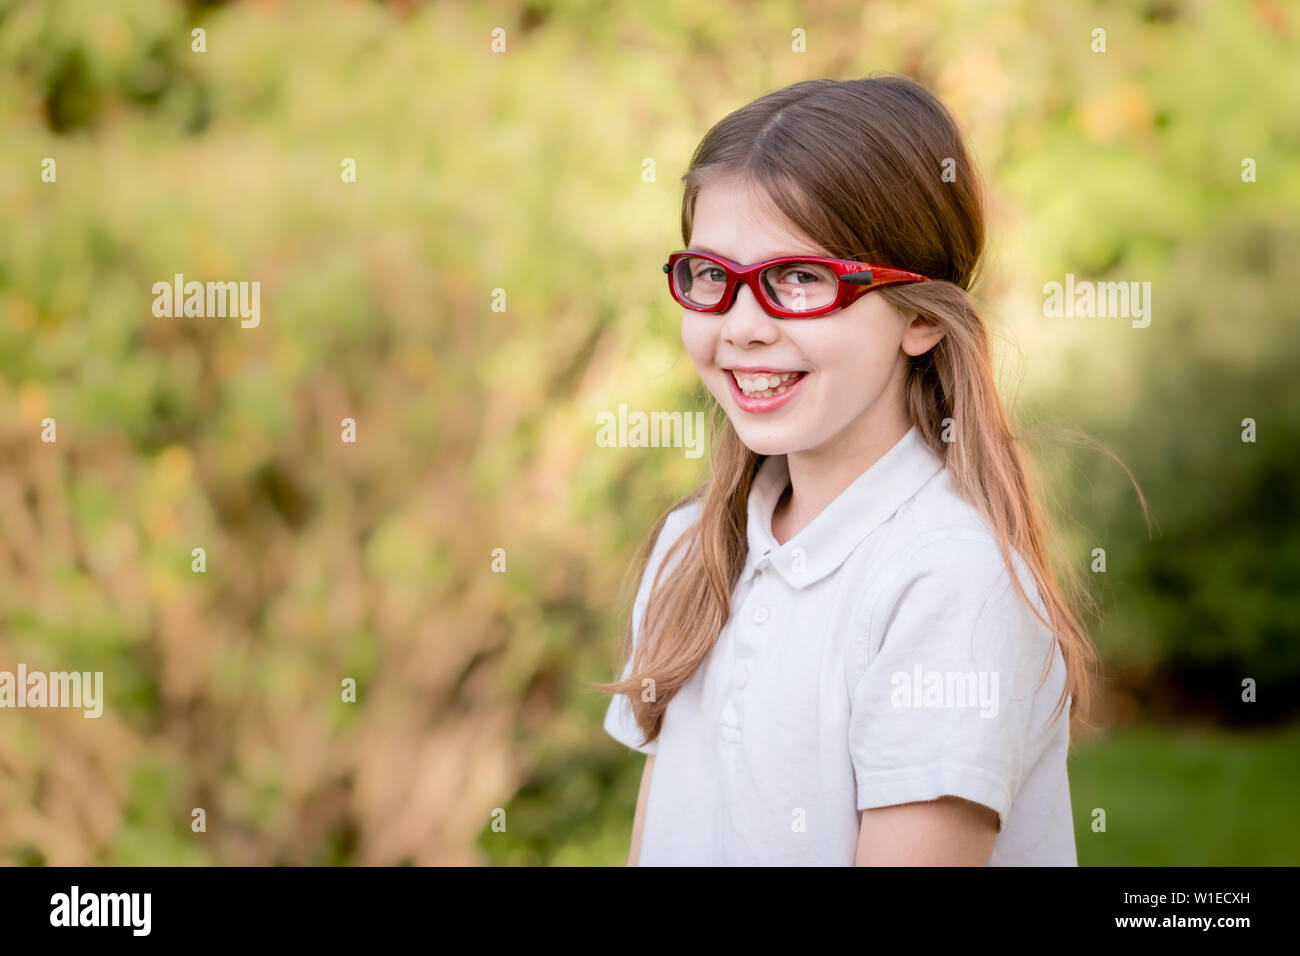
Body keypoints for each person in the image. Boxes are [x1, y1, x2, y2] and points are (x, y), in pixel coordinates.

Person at [598, 74, 1107, 866]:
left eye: (799, 279)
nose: (742, 328)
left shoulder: (946, 585)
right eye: (711, 277)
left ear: (917, 316)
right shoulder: (692, 547)